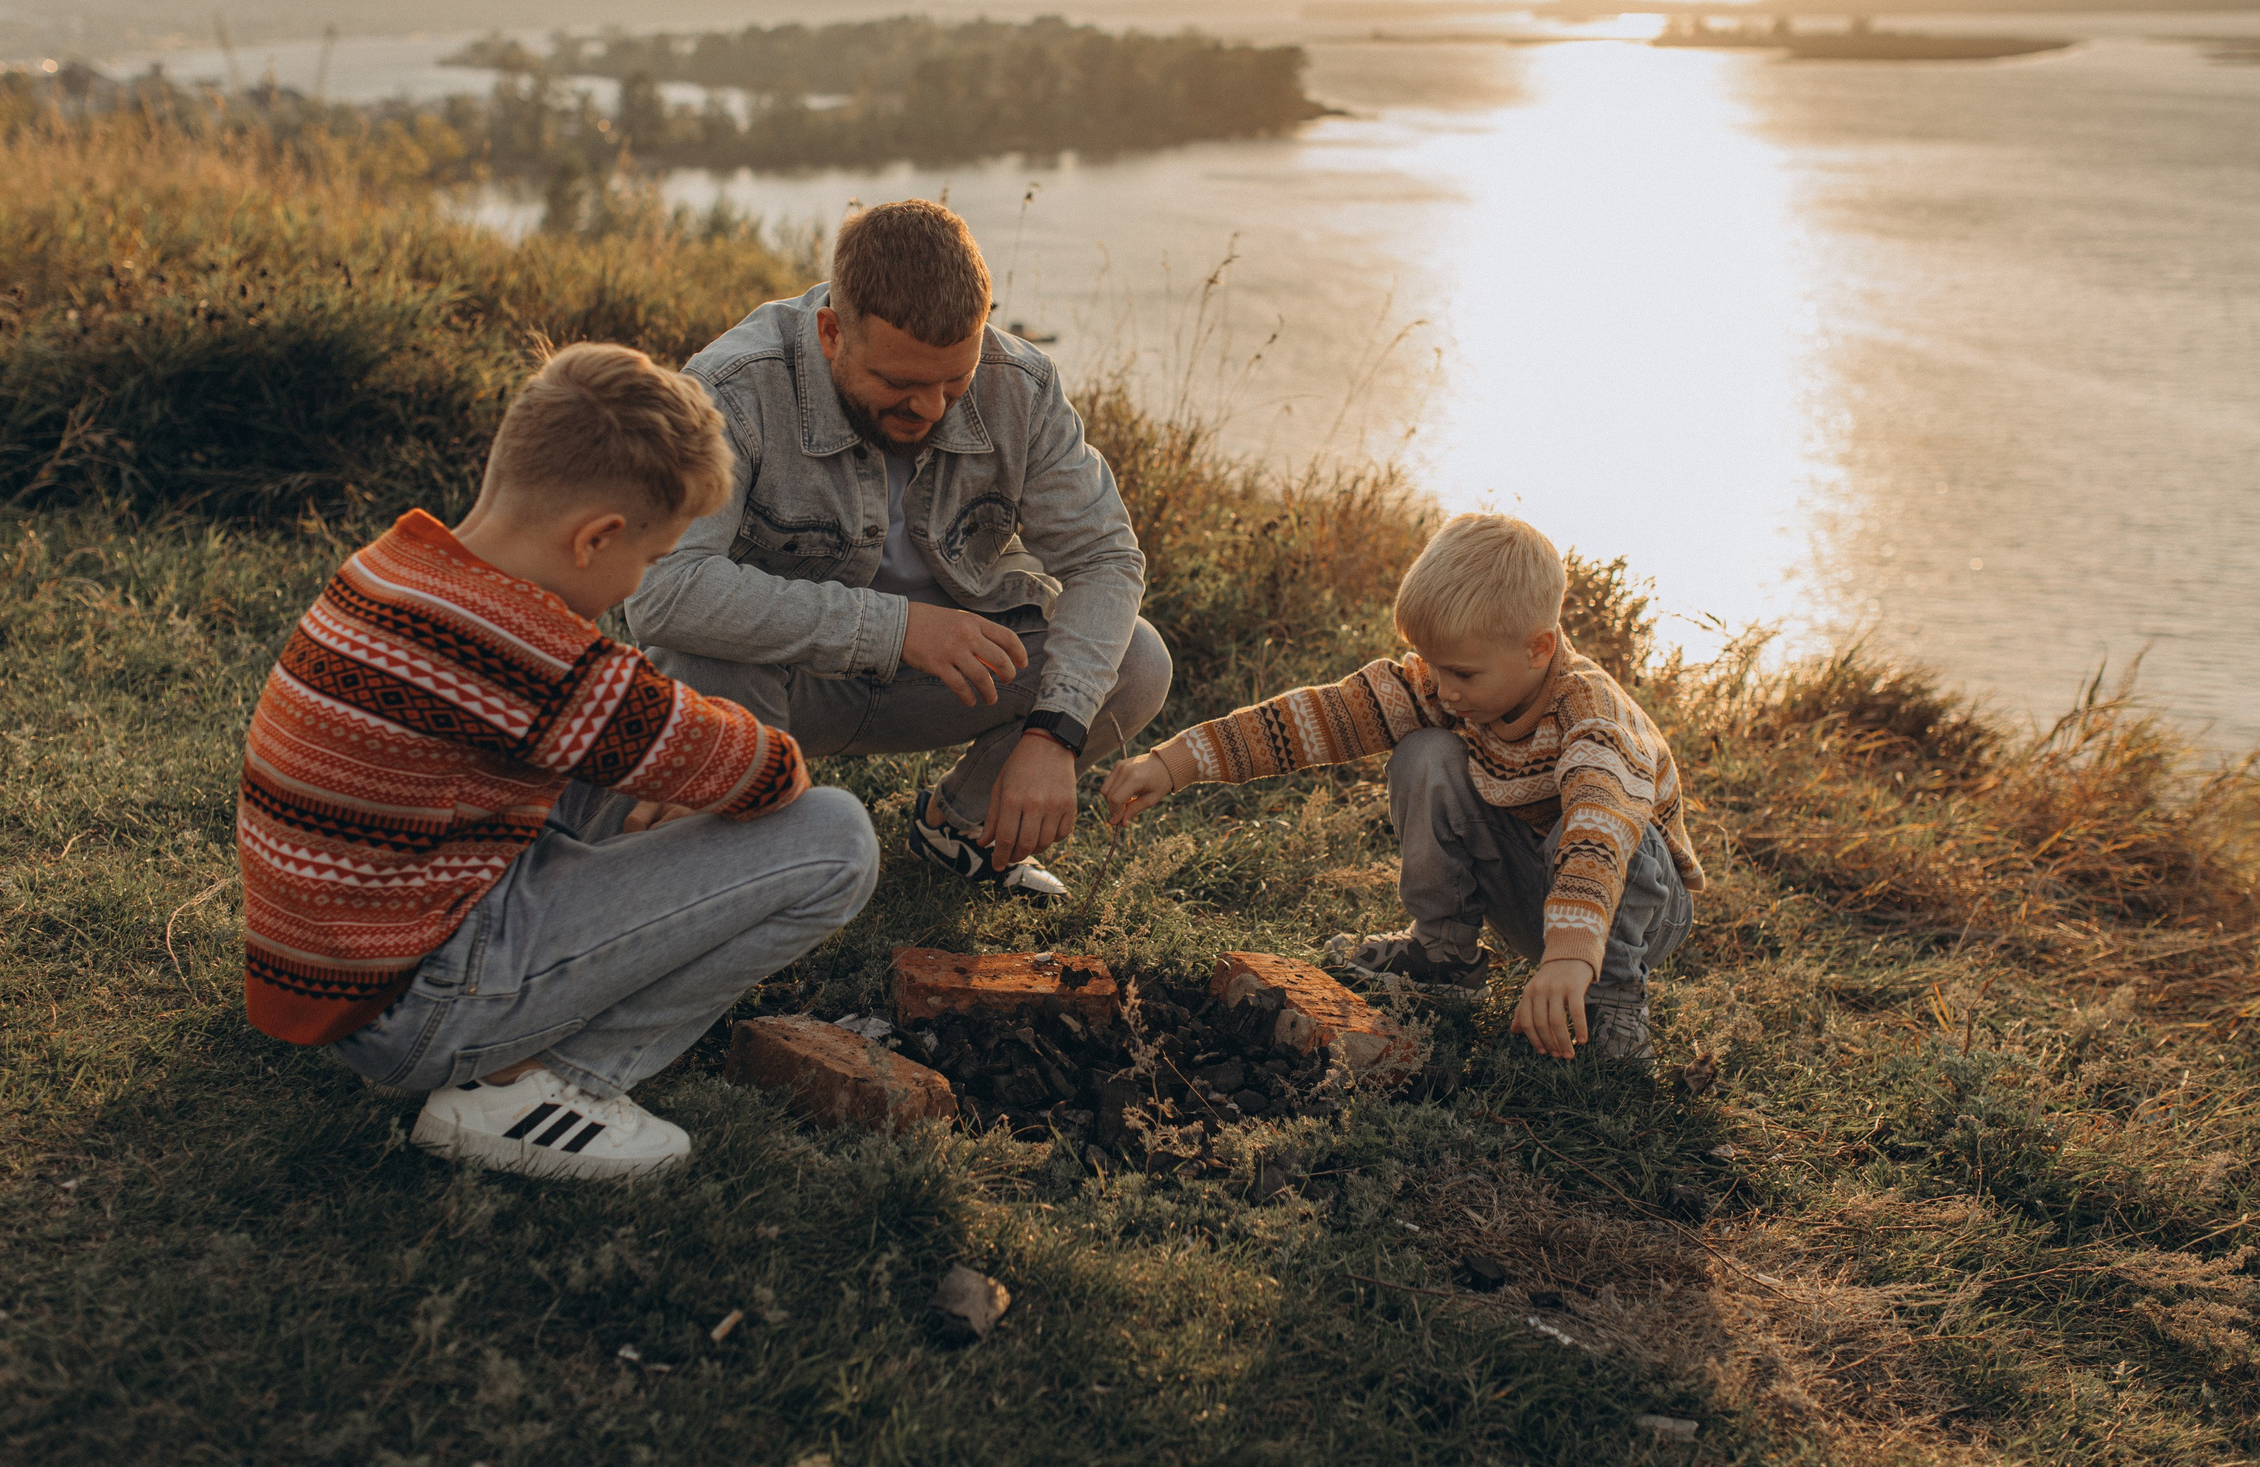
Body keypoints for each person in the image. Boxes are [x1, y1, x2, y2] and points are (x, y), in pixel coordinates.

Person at [237, 342, 880, 1180]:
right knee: (836, 837)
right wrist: (719, 775)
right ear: (596, 538)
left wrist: (669, 775)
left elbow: (639, 728)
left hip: (338, 966)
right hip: (412, 1006)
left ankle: (516, 1052)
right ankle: (541, 1090)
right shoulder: (527, 654)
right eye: (648, 562)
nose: (633, 591)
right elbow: (760, 767)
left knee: (637, 761)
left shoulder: (397, 566)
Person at [627, 199, 1170, 900]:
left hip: (941, 677)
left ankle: (960, 830)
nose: (932, 409)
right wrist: (896, 629)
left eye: (955, 380)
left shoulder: (1022, 387)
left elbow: (1104, 558)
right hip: (774, 685)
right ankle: (739, 851)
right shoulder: (733, 388)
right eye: (900, 384)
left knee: (1136, 659)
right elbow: (663, 593)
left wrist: (1057, 733)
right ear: (831, 332)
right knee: (704, 646)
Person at [1101, 513, 1703, 1062]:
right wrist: (1174, 762)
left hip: (1639, 909)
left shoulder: (1592, 717)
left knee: (1610, 820)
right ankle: (1442, 955)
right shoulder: (1438, 690)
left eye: (1462, 672)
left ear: (1539, 648)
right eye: (1431, 666)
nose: (1443, 690)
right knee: (1424, 754)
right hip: (1537, 892)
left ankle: (1614, 1002)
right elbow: (1315, 720)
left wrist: (1572, 952)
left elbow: (1598, 833)